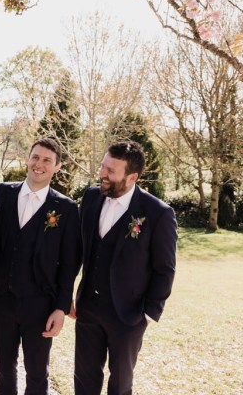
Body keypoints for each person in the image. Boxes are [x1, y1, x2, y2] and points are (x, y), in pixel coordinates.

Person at [71, 140, 177, 395]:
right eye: (103, 167)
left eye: (111, 171)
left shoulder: (158, 213)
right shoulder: (90, 198)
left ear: (132, 177)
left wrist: (148, 314)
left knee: (120, 385)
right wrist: (67, 295)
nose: (102, 174)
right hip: (87, 309)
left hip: (128, 316)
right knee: (84, 380)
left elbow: (165, 269)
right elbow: (76, 250)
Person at [0, 138, 80, 394]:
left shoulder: (67, 209)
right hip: (0, 300)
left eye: (47, 160)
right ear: (28, 159)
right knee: (4, 369)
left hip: (40, 305)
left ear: (57, 167)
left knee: (37, 373)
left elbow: (70, 263)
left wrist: (61, 307)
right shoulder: (2, 193)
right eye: (35, 157)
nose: (39, 164)